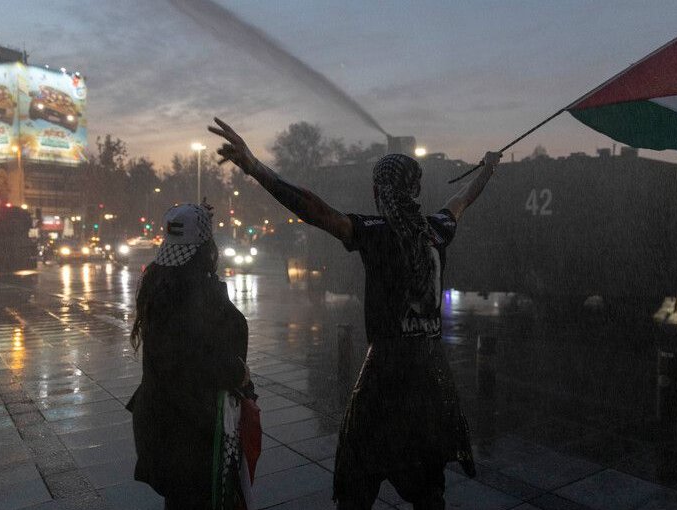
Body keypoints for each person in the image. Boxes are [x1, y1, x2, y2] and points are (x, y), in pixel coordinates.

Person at [209, 117, 500, 510]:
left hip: (384, 380)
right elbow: (463, 199)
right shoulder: (437, 229)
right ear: (415, 190)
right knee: (428, 486)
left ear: (381, 190)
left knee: (357, 480)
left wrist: (256, 167)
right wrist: (488, 169)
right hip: (432, 378)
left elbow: (313, 209)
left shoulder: (376, 232)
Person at [127, 202, 254, 510]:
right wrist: (239, 373)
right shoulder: (192, 290)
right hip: (192, 431)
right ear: (205, 248)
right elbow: (200, 358)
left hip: (165, 424)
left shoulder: (160, 282)